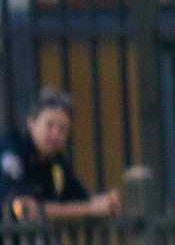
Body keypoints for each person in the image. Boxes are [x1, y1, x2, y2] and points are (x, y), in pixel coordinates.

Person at [1, 89, 120, 225]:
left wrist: (106, 203)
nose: (56, 134)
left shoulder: (57, 163)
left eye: (62, 128)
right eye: (49, 125)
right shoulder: (11, 149)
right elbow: (25, 209)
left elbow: (80, 198)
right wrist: (90, 209)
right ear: (31, 123)